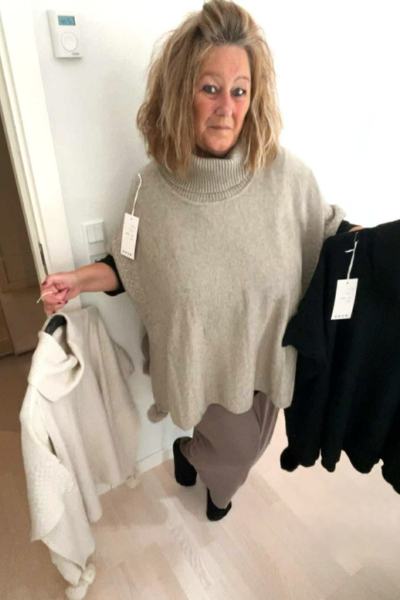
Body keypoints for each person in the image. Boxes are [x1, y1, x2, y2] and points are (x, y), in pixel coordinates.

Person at [40, 0, 362, 521]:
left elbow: (329, 234)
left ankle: (195, 457)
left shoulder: (287, 177)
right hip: (201, 361)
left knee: (256, 442)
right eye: (210, 88)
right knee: (238, 456)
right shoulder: (152, 189)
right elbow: (130, 263)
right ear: (181, 92)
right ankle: (192, 455)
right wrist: (77, 280)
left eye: (240, 90)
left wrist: (381, 246)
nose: (226, 107)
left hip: (267, 351)